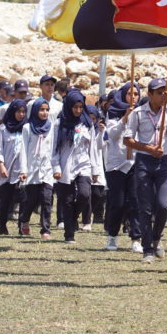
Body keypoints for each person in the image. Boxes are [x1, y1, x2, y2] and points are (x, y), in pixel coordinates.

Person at [124, 79, 167, 263]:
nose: (162, 95)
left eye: (165, 91)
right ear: (149, 94)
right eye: (159, 92)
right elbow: (127, 139)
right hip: (144, 161)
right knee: (145, 207)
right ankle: (147, 248)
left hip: (164, 162)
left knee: (164, 204)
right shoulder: (139, 113)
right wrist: (149, 149)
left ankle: (157, 236)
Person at [52, 90, 98, 245]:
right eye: (75, 107)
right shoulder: (59, 124)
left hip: (83, 165)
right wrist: (56, 168)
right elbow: (54, 149)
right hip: (65, 166)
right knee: (67, 200)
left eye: (80, 107)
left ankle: (72, 218)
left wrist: (95, 169)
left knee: (85, 195)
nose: (78, 111)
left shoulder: (87, 123)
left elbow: (92, 148)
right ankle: (69, 234)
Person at [103, 83, 140, 252]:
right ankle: (112, 235)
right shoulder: (114, 112)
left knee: (135, 201)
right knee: (117, 203)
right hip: (117, 164)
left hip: (133, 162)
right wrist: (125, 117)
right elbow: (112, 134)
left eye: (136, 94)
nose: (133, 97)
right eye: (130, 94)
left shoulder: (141, 112)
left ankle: (136, 238)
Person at [19, 99, 55, 238]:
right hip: (31, 169)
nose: (44, 113)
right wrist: (23, 170)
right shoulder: (27, 128)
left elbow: (52, 148)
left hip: (46, 169)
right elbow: (23, 149)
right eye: (41, 110)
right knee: (31, 200)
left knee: (47, 199)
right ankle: (25, 220)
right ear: (35, 111)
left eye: (47, 110)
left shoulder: (51, 127)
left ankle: (45, 229)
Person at [0, 99, 28, 236]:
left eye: (23, 112)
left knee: (23, 200)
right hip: (7, 170)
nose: (21, 114)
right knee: (6, 200)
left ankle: (22, 226)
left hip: (22, 170)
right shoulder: (3, 129)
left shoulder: (27, 128)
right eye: (18, 111)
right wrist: (1, 165)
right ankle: (2, 225)